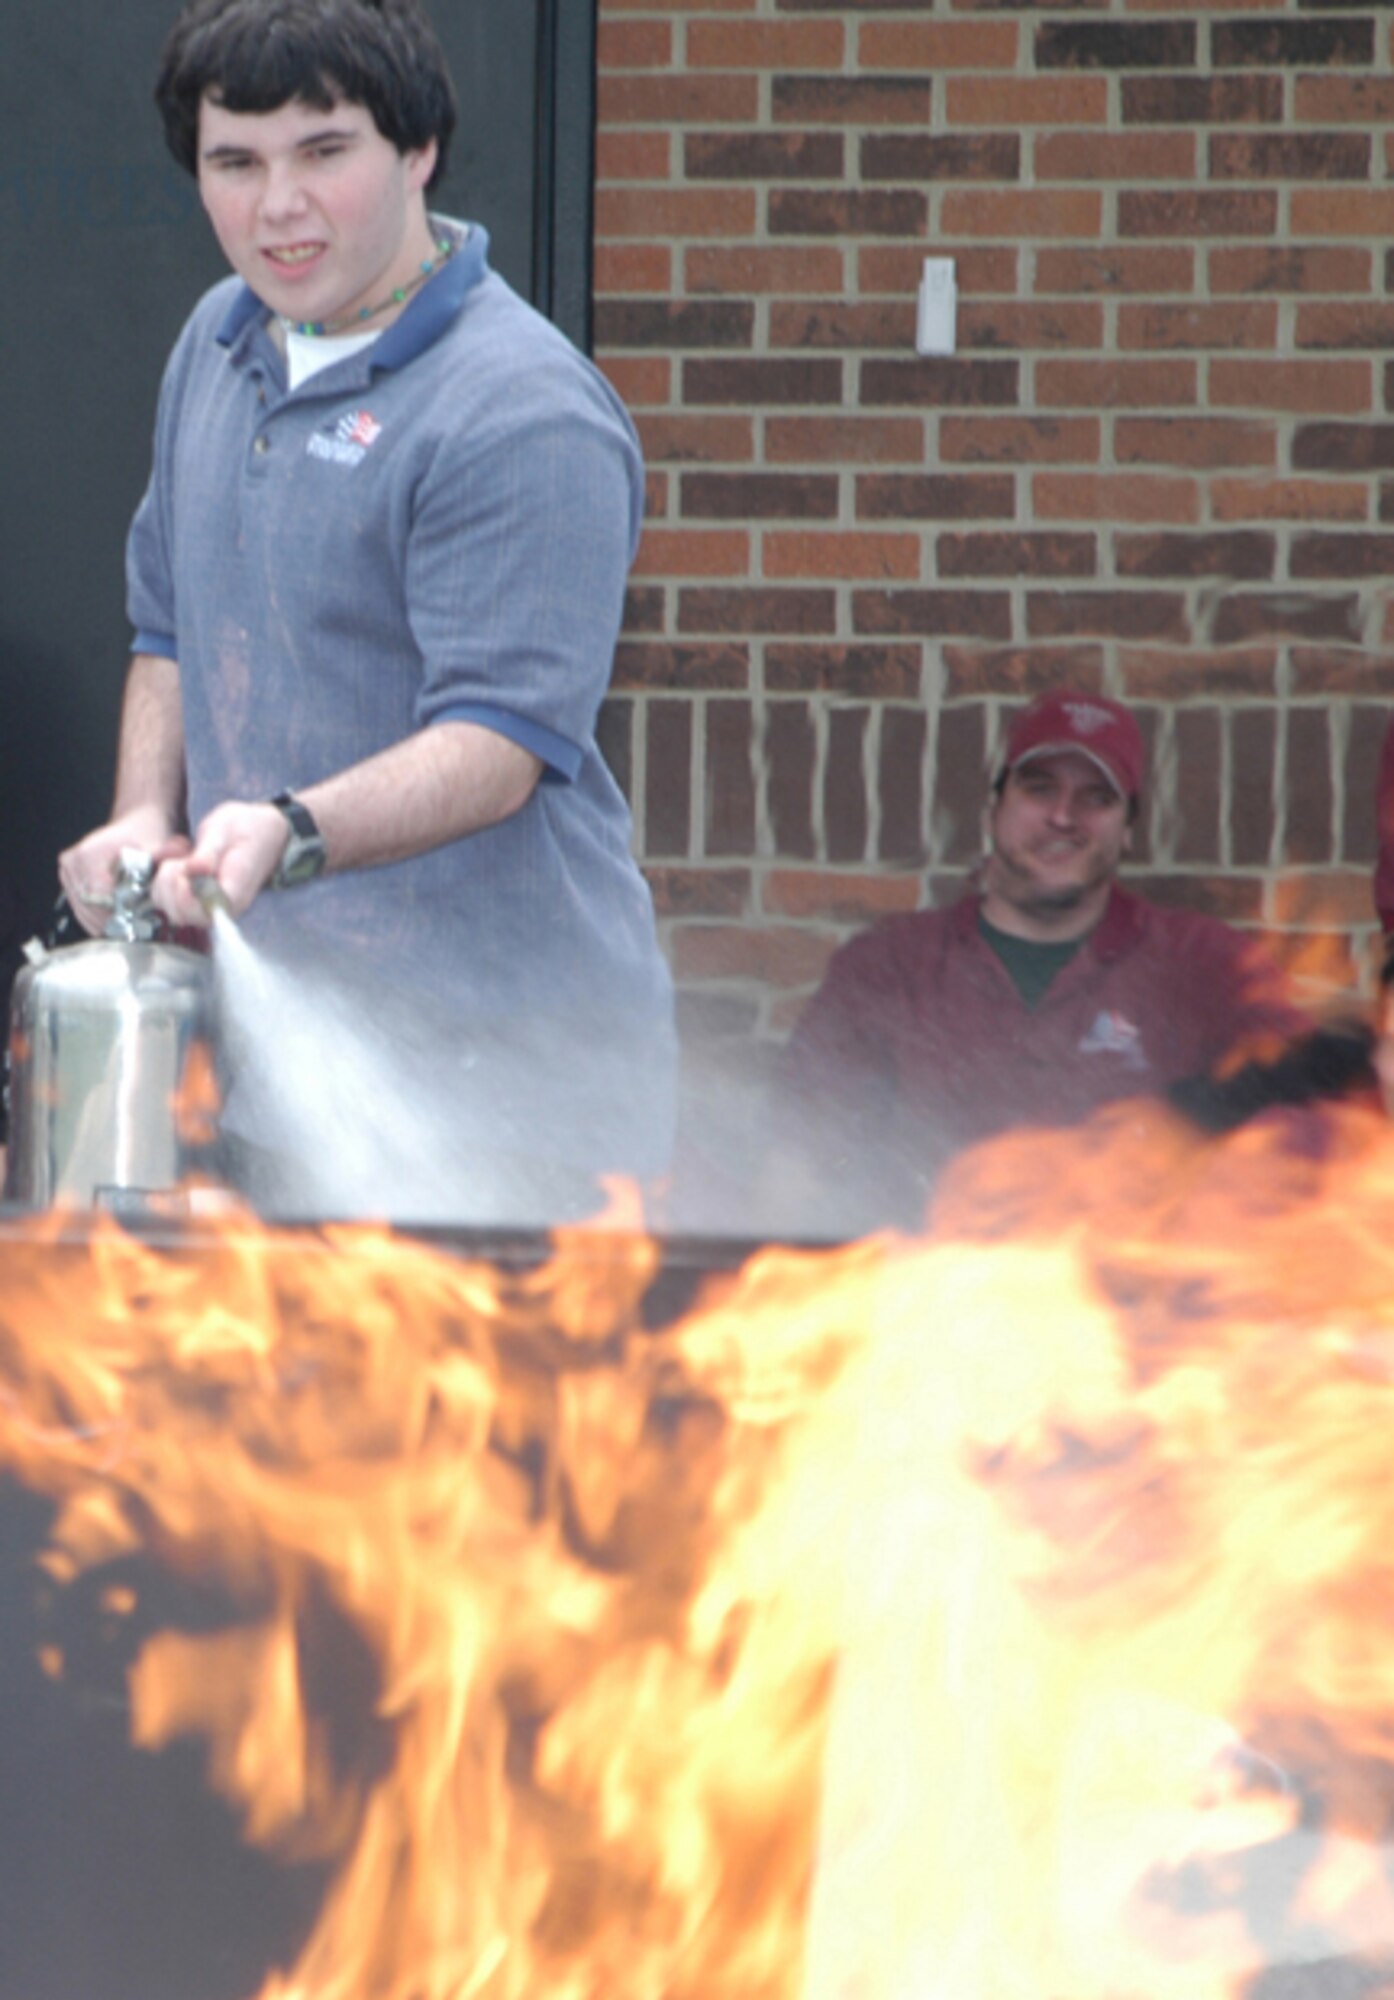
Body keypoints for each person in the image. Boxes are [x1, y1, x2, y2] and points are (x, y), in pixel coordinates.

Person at [57, 0, 675, 1217]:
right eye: (235, 162)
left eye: (322, 151)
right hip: (275, 1083)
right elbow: (169, 627)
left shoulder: (522, 410)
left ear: (417, 151)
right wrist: (142, 806)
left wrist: (288, 829)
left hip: (510, 1103)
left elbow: (498, 745)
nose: (277, 206)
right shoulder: (218, 338)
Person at [774, 688, 1314, 1234]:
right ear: (994, 809)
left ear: (1127, 828)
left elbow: (1315, 1123)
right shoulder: (888, 967)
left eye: (1096, 798)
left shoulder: (1206, 966)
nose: (1062, 816)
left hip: (1129, 1305)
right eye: (1039, 789)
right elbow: (801, 1154)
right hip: (930, 1300)